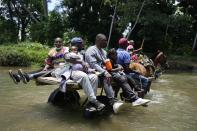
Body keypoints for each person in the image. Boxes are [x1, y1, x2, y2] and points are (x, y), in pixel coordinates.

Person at [85, 34, 126, 113]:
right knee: (104, 76)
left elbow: (107, 63)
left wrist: (114, 68)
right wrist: (105, 72)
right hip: (91, 72)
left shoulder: (103, 51)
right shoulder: (91, 50)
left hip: (101, 72)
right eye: (105, 40)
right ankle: (96, 101)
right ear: (98, 41)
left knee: (110, 77)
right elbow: (93, 64)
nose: (106, 42)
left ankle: (113, 100)